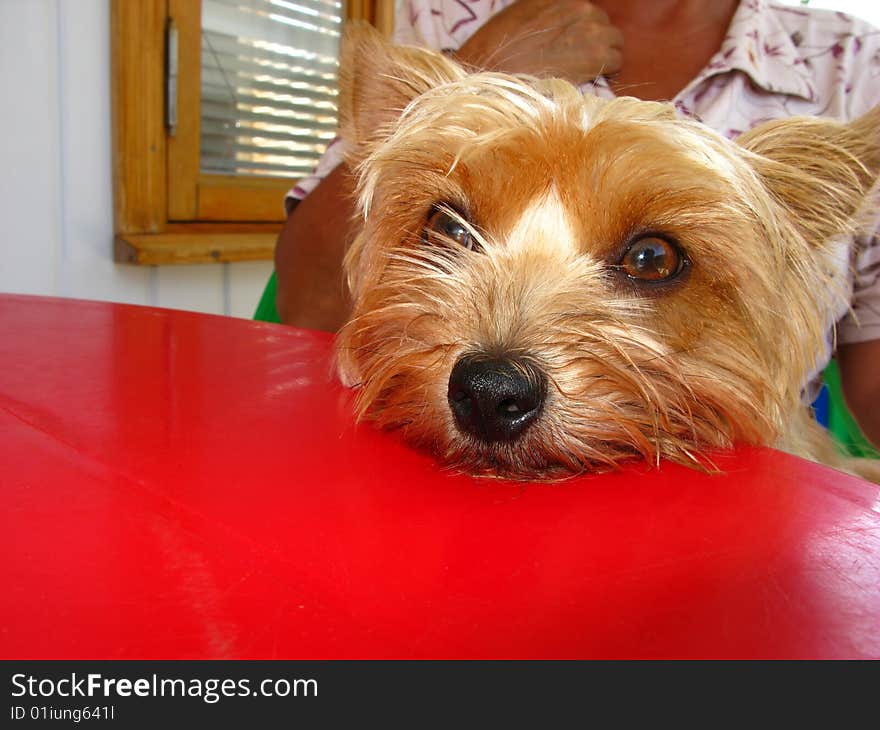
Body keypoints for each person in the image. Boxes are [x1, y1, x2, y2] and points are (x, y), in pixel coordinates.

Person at [257, 0, 880, 451]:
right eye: (452, 231)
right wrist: (480, 63)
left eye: (650, 261)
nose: (499, 368)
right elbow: (308, 305)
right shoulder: (458, 14)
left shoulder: (853, 61)